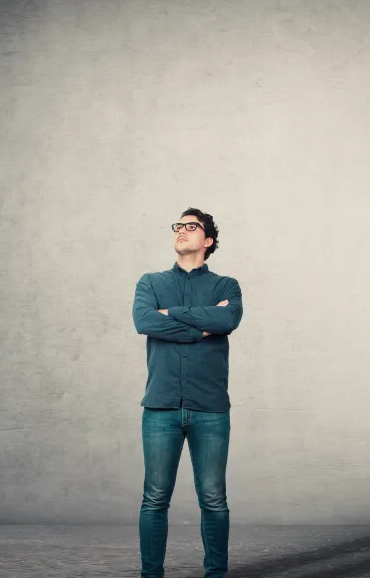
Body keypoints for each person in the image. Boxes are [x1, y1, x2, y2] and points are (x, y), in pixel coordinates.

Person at [132, 208, 243, 578]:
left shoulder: (227, 287)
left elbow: (228, 318)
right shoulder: (150, 282)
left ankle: (216, 574)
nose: (181, 230)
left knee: (213, 499)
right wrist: (203, 326)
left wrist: (170, 314)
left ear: (208, 240)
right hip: (160, 406)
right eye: (177, 226)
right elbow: (144, 321)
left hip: (210, 408)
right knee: (154, 499)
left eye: (191, 226)